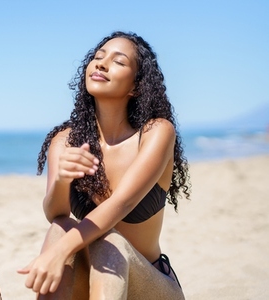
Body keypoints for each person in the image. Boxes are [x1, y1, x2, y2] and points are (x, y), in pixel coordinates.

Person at [17, 30, 191, 299]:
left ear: (136, 86)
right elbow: (55, 213)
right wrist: (62, 180)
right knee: (59, 228)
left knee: (110, 241)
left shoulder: (156, 132)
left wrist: (61, 251)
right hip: (89, 286)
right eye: (98, 57)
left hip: (147, 286)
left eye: (118, 61)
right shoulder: (64, 141)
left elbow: (121, 204)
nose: (101, 63)